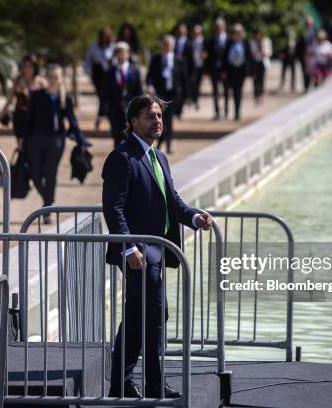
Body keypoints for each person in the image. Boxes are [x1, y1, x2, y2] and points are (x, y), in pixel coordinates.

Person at [102, 95, 213, 399]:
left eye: (159, 116)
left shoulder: (158, 157)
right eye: (150, 116)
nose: (157, 121)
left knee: (140, 315)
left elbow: (172, 200)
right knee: (154, 312)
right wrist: (128, 247)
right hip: (137, 252)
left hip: (158, 251)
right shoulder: (121, 158)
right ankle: (153, 384)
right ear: (133, 121)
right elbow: (114, 208)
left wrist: (194, 216)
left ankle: (122, 382)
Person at [25, 64, 90, 223]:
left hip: (56, 140)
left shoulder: (65, 97)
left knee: (50, 173)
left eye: (56, 77)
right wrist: (22, 139)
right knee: (35, 173)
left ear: (60, 79)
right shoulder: (36, 95)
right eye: (50, 77)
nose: (53, 80)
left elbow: (71, 120)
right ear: (46, 78)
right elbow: (29, 118)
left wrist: (81, 139)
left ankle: (47, 208)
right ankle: (49, 199)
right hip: (36, 139)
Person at [146, 35, 188, 155]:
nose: (166, 47)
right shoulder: (156, 59)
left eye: (169, 45)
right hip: (160, 94)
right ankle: (159, 143)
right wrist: (150, 86)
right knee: (160, 118)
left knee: (169, 120)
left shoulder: (179, 60)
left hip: (173, 94)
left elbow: (184, 79)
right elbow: (149, 76)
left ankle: (167, 144)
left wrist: (186, 96)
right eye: (165, 44)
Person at [0, 55, 46, 150]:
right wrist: (2, 112)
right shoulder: (18, 81)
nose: (27, 68)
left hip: (36, 119)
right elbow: (10, 98)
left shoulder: (41, 82)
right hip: (20, 118)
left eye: (30, 66)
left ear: (35, 67)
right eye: (25, 65)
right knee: (22, 146)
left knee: (35, 146)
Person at [103, 42, 143, 147]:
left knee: (130, 136)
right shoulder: (110, 71)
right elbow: (105, 93)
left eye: (123, 52)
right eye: (118, 52)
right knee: (117, 137)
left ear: (128, 54)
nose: (121, 55)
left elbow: (139, 91)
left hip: (130, 109)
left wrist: (141, 109)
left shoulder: (135, 70)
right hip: (114, 110)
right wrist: (103, 111)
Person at [84, 27, 115, 130]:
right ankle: (101, 116)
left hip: (109, 73)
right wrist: (89, 73)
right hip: (98, 74)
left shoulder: (112, 46)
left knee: (107, 97)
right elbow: (88, 61)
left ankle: (101, 117)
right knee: (101, 96)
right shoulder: (94, 46)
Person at [224, 24, 251, 121]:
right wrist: (224, 71)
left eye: (239, 32)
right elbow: (224, 57)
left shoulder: (245, 43)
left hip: (240, 71)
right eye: (235, 32)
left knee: (238, 92)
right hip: (230, 71)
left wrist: (249, 71)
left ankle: (237, 112)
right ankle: (226, 111)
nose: (237, 34)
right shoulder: (228, 43)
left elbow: (249, 57)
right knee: (227, 91)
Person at [206, 17, 229, 120]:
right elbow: (208, 56)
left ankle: (226, 111)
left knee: (226, 91)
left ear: (224, 27)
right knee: (215, 91)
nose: (218, 28)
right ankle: (217, 112)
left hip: (225, 70)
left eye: (220, 26)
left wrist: (226, 70)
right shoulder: (211, 40)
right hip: (214, 69)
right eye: (217, 27)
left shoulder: (228, 40)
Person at [173, 22, 193, 116]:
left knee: (183, 89)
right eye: (179, 29)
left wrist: (191, 71)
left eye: (183, 29)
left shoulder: (189, 43)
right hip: (176, 68)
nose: (181, 31)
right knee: (177, 88)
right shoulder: (174, 41)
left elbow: (191, 58)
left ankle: (180, 107)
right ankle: (177, 109)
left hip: (185, 69)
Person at [249, 29, 272, 105]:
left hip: (263, 62)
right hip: (255, 63)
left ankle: (261, 94)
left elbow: (269, 52)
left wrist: (263, 50)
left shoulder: (266, 41)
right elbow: (251, 53)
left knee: (261, 79)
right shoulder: (252, 42)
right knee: (255, 80)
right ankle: (256, 95)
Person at [296, 16, 317, 92]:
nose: (308, 25)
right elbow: (298, 45)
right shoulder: (302, 33)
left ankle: (315, 85)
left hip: (313, 55)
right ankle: (306, 87)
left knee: (314, 71)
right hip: (304, 56)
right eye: (307, 23)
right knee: (305, 72)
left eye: (310, 23)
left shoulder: (316, 32)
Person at [191, 24, 207, 110]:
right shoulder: (191, 41)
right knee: (193, 83)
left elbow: (207, 52)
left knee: (198, 83)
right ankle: (194, 99)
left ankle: (196, 98)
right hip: (193, 65)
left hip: (201, 65)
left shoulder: (204, 41)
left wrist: (204, 55)